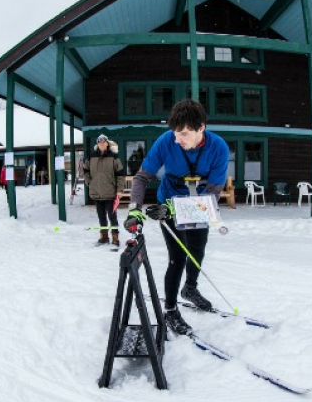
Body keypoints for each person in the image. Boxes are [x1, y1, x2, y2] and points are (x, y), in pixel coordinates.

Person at [123, 99, 229, 335]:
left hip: (199, 203)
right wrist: (134, 209)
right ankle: (170, 309)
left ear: (201, 128)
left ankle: (190, 288)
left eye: (183, 133)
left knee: (197, 250)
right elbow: (141, 178)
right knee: (178, 257)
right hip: (169, 199)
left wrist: (174, 208)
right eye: (174, 133)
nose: (177, 139)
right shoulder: (165, 142)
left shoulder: (219, 148)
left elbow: (213, 194)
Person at [84, 134, 125, 248]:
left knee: (112, 217)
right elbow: (85, 170)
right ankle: (104, 237)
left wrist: (119, 190)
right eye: (99, 141)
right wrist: (89, 182)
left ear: (107, 143)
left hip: (110, 192)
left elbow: (120, 175)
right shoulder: (91, 157)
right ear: (97, 144)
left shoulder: (114, 157)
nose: (102, 143)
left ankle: (115, 238)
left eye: (104, 141)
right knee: (101, 216)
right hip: (97, 192)